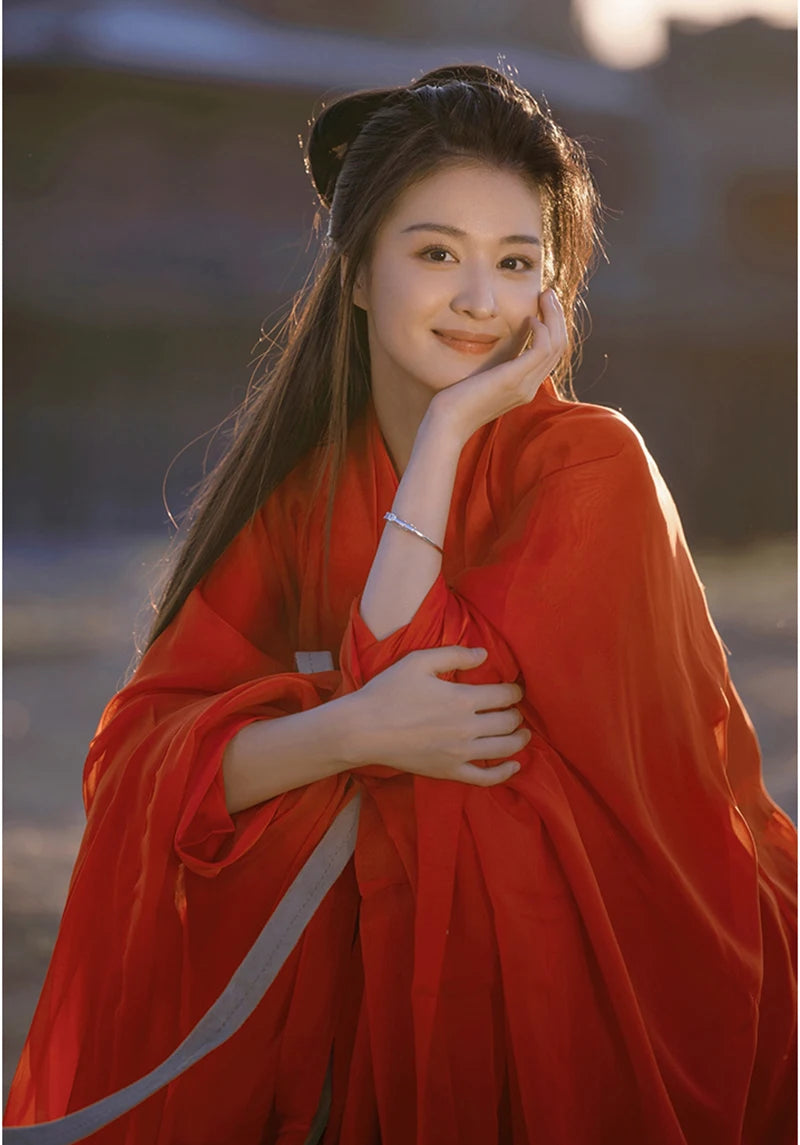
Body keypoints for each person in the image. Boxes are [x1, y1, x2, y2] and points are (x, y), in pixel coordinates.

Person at [4, 63, 796, 1145]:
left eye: (516, 262)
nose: (479, 300)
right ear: (361, 272)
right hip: (368, 989)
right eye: (436, 253)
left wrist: (451, 424)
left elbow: (444, 698)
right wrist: (344, 730)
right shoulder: (302, 494)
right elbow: (142, 759)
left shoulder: (590, 466)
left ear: (551, 293)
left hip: (612, 972)